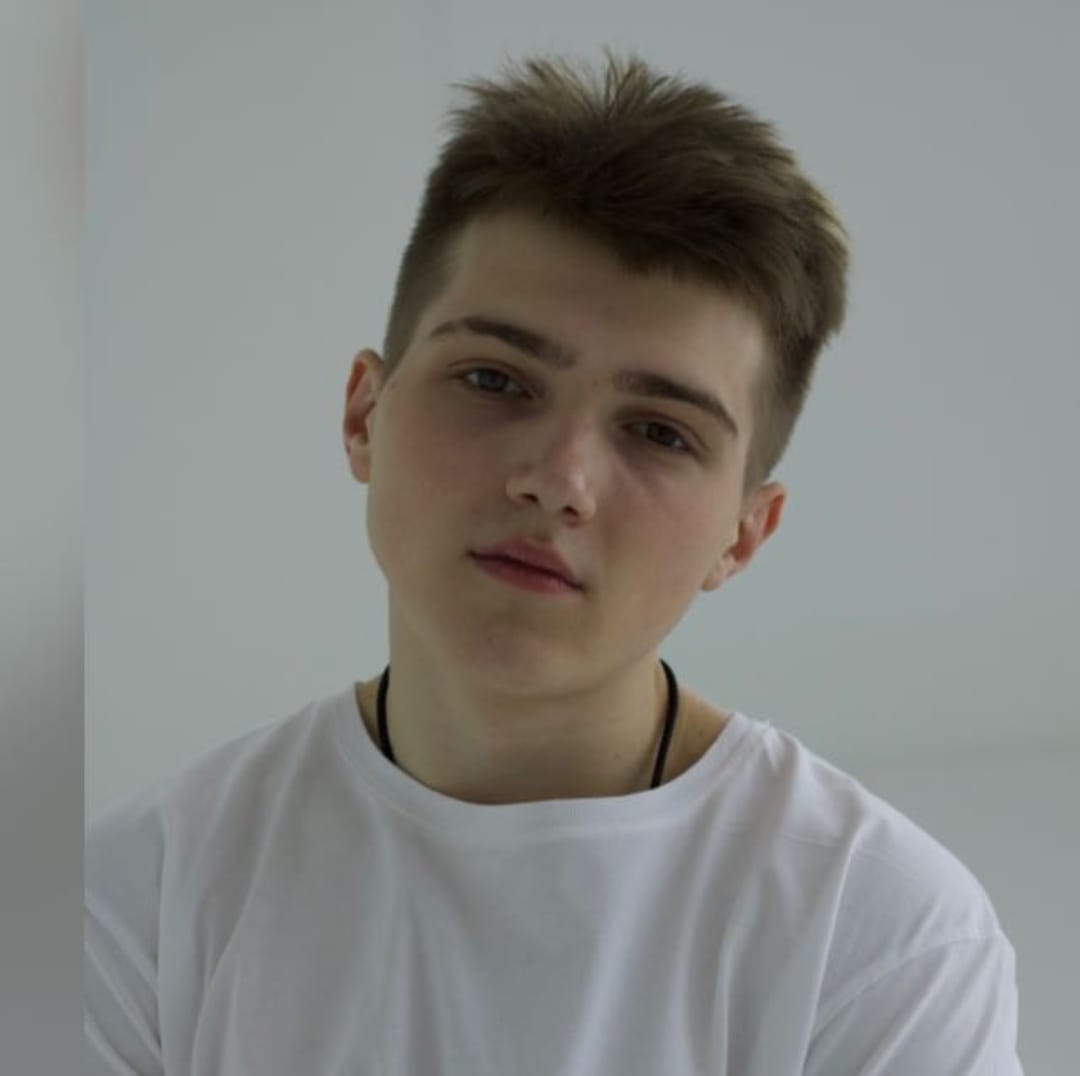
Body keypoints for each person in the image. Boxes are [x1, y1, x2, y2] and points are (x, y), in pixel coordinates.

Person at [84, 49, 1023, 1074]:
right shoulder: (139, 897)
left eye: (659, 432)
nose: (558, 481)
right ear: (363, 415)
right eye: (495, 379)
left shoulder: (882, 934)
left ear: (743, 535)